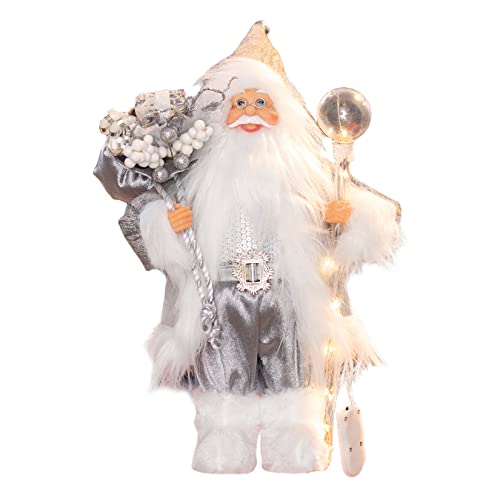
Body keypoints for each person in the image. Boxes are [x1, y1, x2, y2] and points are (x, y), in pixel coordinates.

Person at [95, 22, 401, 474]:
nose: (250, 113)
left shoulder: (309, 173)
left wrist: (345, 215)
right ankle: (223, 438)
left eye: (261, 103)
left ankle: (295, 437)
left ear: (283, 112)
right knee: (222, 367)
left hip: (287, 294)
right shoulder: (195, 173)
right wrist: (168, 223)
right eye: (240, 103)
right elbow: (147, 218)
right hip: (219, 296)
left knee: (292, 366)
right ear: (222, 114)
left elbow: (365, 219)